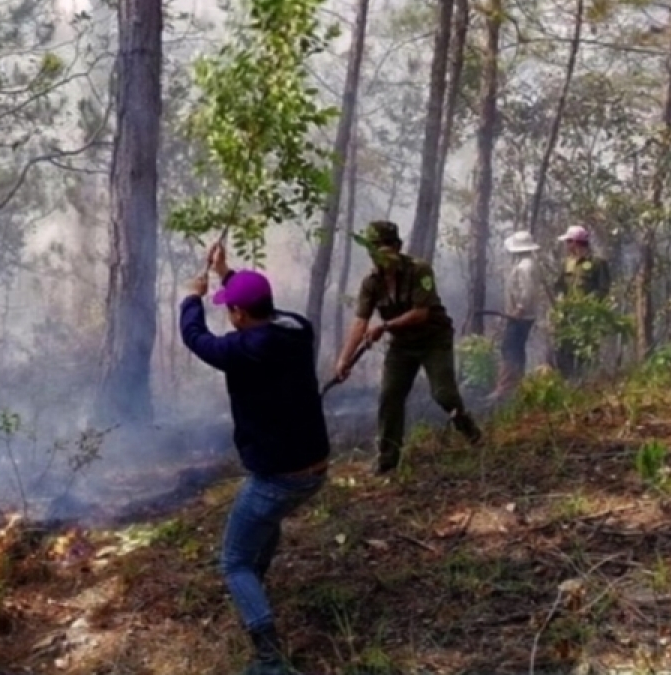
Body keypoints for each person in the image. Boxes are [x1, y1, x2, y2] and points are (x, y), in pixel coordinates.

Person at [180, 242, 329, 675]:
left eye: (232, 309)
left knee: (233, 561)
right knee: (262, 527)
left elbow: (196, 338)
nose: (230, 315)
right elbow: (265, 309)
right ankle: (255, 593)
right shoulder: (297, 329)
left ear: (241, 316)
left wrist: (193, 297)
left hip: (279, 477)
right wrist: (226, 276)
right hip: (313, 467)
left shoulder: (246, 350)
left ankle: (269, 658)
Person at [333, 220, 481, 476]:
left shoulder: (419, 270)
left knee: (444, 394)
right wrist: (344, 360)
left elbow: (421, 313)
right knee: (390, 396)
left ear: (397, 247)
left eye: (383, 248)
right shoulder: (371, 282)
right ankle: (388, 460)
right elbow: (360, 322)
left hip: (433, 339)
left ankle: (469, 431)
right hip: (402, 345)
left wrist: (385, 326)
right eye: (373, 249)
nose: (378, 255)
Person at [551, 225, 612, 379]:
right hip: (567, 317)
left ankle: (584, 382)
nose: (567, 246)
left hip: (587, 318)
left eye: (568, 242)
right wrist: (560, 301)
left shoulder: (598, 263)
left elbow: (603, 289)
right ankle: (566, 381)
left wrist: (588, 304)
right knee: (564, 350)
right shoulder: (566, 263)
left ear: (576, 242)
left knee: (584, 352)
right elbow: (558, 285)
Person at [488, 230, 542, 402]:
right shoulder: (528, 263)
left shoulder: (525, 266)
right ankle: (515, 385)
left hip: (521, 316)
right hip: (522, 315)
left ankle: (505, 388)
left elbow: (527, 291)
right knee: (515, 349)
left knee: (509, 348)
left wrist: (519, 309)